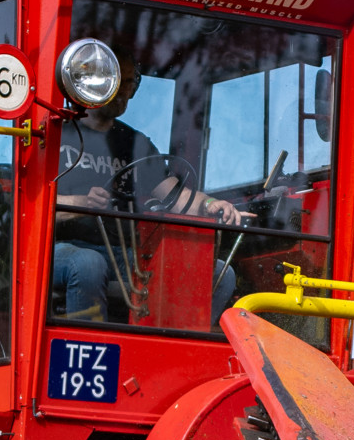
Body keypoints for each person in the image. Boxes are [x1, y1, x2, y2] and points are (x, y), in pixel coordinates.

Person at [53, 57, 244, 322]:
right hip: (59, 248)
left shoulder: (134, 143)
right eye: (118, 82)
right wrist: (80, 202)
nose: (124, 92)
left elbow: (177, 197)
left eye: (130, 84)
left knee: (219, 274)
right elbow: (31, 202)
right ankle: (91, 350)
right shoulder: (55, 132)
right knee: (88, 264)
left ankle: (180, 353)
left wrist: (212, 204)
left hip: (122, 252)